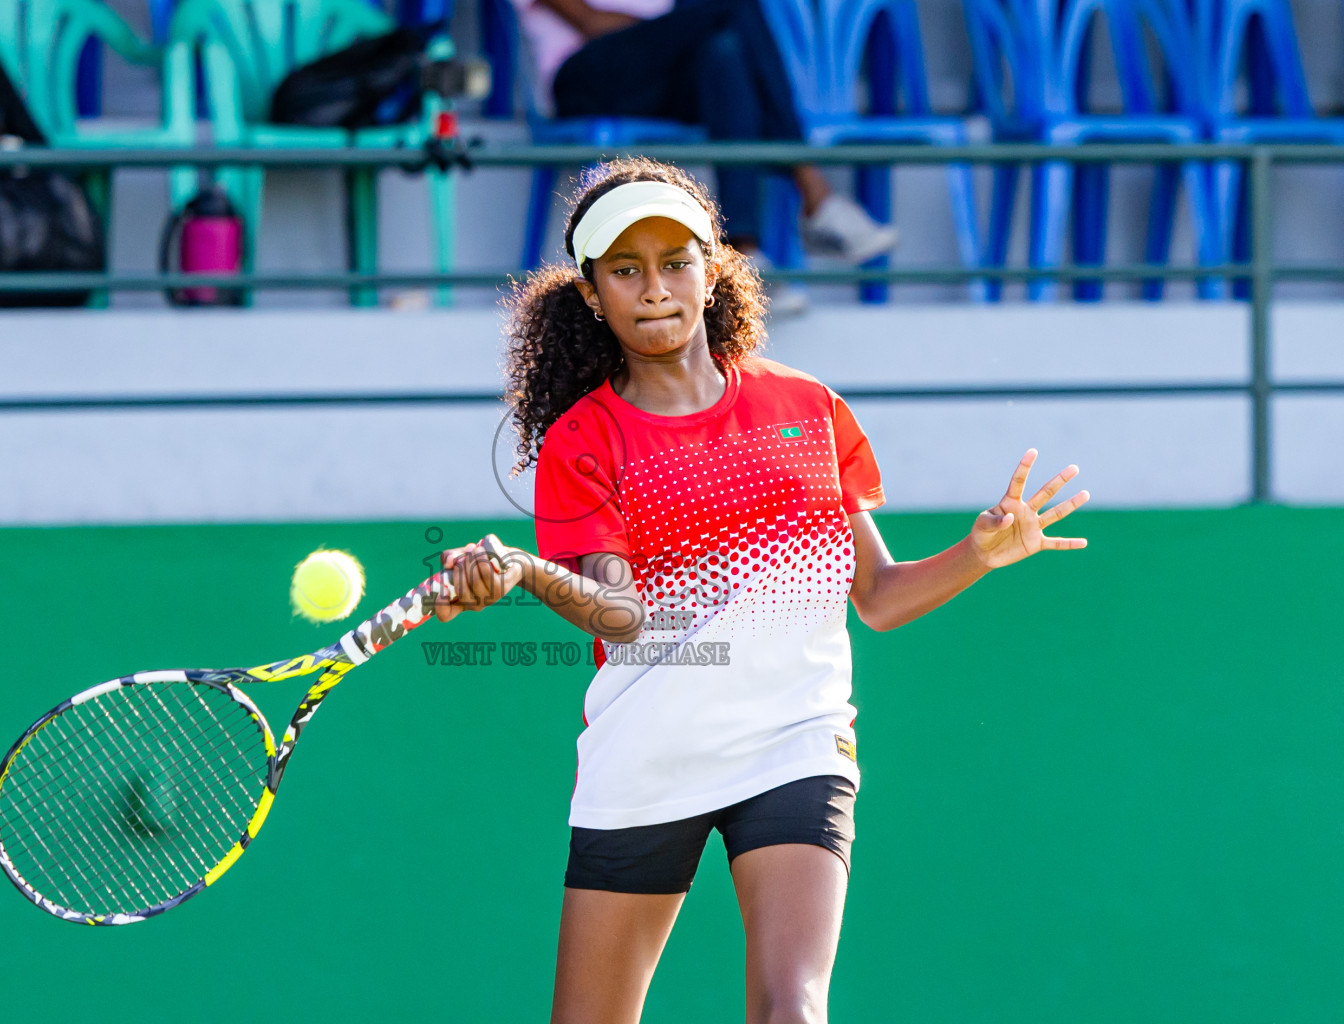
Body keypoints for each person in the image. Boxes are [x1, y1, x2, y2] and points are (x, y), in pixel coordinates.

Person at [433, 158, 1089, 1024]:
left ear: (715, 268)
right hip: (647, 756)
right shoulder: (583, 442)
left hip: (795, 744)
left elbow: (881, 596)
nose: (655, 287)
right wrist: (525, 571)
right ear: (593, 295)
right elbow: (622, 616)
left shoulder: (807, 407)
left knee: (793, 1009)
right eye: (625, 271)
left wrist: (978, 553)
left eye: (675, 260)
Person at [509, 0, 900, 280]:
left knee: (725, 54)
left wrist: (678, 31)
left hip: (657, 78)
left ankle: (742, 252)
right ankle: (814, 189)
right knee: (731, 7)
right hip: (582, 76)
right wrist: (673, 31)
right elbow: (592, 20)